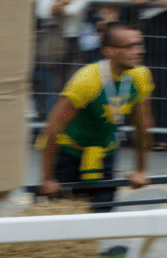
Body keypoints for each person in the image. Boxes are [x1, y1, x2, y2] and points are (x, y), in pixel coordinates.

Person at [38, 22, 153, 212]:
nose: (139, 51)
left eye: (139, 44)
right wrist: (47, 178)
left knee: (100, 219)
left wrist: (141, 170)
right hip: (69, 157)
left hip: (104, 156)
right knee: (67, 226)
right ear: (109, 51)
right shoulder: (87, 80)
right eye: (130, 46)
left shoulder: (141, 76)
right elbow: (52, 128)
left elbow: (143, 126)